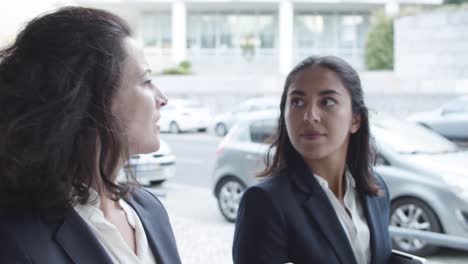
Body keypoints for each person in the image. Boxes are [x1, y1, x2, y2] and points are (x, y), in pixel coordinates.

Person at [0, 7, 181, 264]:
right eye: (145, 80)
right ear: (87, 99)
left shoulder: (151, 211)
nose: (162, 99)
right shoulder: (15, 238)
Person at [232, 56, 392, 264]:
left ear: (355, 119)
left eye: (327, 102)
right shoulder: (264, 203)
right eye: (297, 102)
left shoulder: (376, 189)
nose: (310, 116)